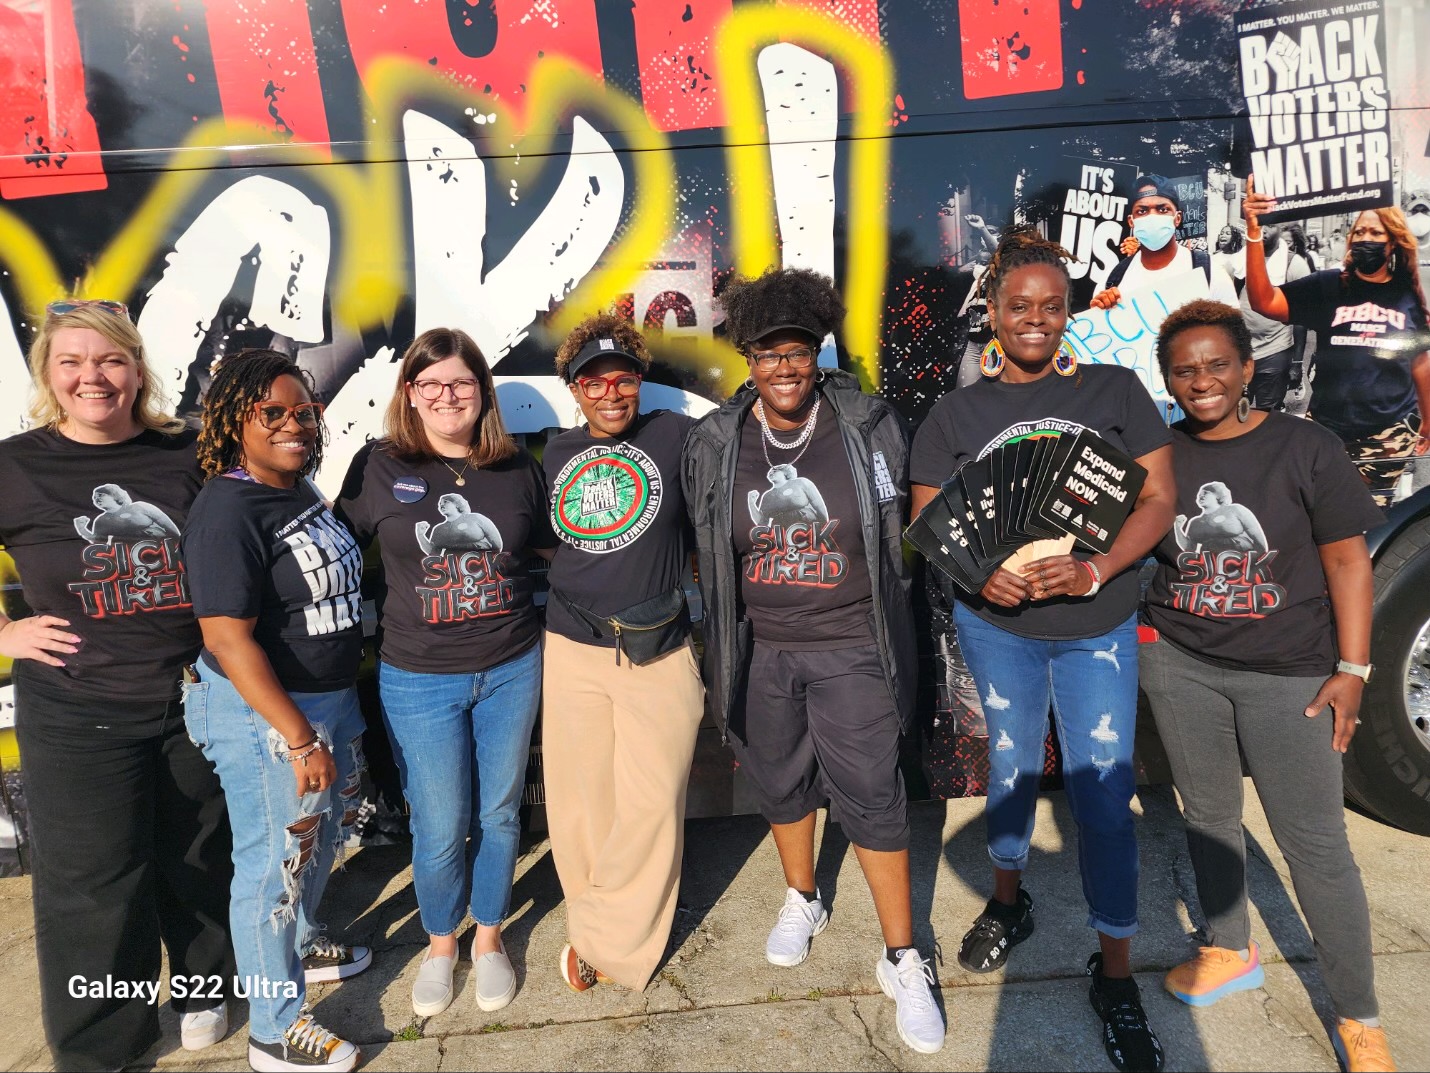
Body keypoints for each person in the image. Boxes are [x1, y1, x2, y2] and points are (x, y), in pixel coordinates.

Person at [910, 228, 1176, 1073]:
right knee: (1012, 772)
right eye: (1017, 306)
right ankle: (1008, 902)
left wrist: (1096, 566)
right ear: (990, 313)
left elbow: (1159, 499)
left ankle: (1118, 971)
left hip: (1096, 630)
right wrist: (983, 578)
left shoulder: (1116, 389)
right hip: (1001, 631)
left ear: (1069, 313)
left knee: (1103, 799)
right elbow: (931, 524)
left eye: (1051, 307)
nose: (1034, 319)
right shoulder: (957, 413)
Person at [684, 267, 945, 1055]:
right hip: (761, 644)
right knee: (780, 778)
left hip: (852, 642)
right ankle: (804, 896)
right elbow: (704, 544)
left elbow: (916, 513)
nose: (783, 368)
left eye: (796, 352)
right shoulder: (717, 439)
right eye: (767, 354)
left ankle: (903, 954)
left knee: (871, 789)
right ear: (748, 361)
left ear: (818, 352)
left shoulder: (867, 421)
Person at [1140, 300, 1396, 1073]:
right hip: (1182, 663)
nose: (1203, 380)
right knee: (1210, 814)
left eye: (1218, 363)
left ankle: (1358, 1014)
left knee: (1315, 845)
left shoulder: (1305, 445)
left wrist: (1353, 670)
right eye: (1185, 369)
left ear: (1249, 368)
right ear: (1169, 379)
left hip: (1291, 673)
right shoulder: (1160, 454)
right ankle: (1227, 946)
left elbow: (1349, 562)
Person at [0, 299, 234, 1070]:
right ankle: (106, 1040)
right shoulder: (16, 464)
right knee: (93, 883)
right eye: (71, 361)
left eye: (109, 360)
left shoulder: (189, 453)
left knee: (198, 856)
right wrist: (3, 635)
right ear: (48, 375)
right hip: (76, 712)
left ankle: (206, 989)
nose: (91, 377)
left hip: (189, 699)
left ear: (136, 369)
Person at [336, 327, 554, 1017]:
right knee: (438, 820)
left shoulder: (516, 466)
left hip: (512, 665)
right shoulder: (378, 465)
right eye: (430, 383)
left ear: (482, 391)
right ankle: (440, 944)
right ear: (410, 392)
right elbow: (326, 547)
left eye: (460, 382)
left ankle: (488, 937)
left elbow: (555, 550)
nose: (446, 395)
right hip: (418, 677)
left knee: (497, 811)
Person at [183, 349, 370, 1073]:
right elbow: (226, 636)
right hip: (270, 716)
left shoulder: (295, 488)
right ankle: (274, 1029)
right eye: (273, 413)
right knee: (271, 869)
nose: (293, 424)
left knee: (315, 848)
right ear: (237, 421)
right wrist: (297, 736)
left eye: (304, 411)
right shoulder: (226, 508)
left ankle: (302, 942)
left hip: (323, 701)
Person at [539, 314, 705, 995]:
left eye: (624, 378)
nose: (610, 392)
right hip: (571, 640)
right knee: (581, 803)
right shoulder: (552, 452)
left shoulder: (674, 436)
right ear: (574, 389)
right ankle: (596, 930)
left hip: (655, 644)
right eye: (593, 381)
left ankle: (611, 939)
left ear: (640, 381)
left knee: (653, 798)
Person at [1243, 179, 1430, 504]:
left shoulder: (1408, 294)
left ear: (1393, 242)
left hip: (1386, 434)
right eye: (1359, 232)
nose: (1365, 239)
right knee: (1324, 513)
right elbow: (1263, 301)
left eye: (1375, 233)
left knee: (1373, 520)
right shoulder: (1327, 287)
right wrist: (1254, 234)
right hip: (1327, 430)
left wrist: (1428, 422)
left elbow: (1420, 363)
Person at [1090, 174, 1238, 311]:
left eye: (1163, 209)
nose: (1152, 217)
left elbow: (1234, 332)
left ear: (1177, 218)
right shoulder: (1112, 281)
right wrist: (1097, 313)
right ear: (1131, 221)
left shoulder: (1209, 271)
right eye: (1142, 211)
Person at [1173, 481, 1268, 554]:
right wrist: (1177, 527)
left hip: (1243, 563)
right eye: (1199, 495)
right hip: (1211, 568)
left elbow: (1258, 537)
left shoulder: (1235, 509)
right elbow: (1189, 548)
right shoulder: (1195, 522)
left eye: (1205, 493)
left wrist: (1260, 561)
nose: (1200, 496)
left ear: (1218, 495)